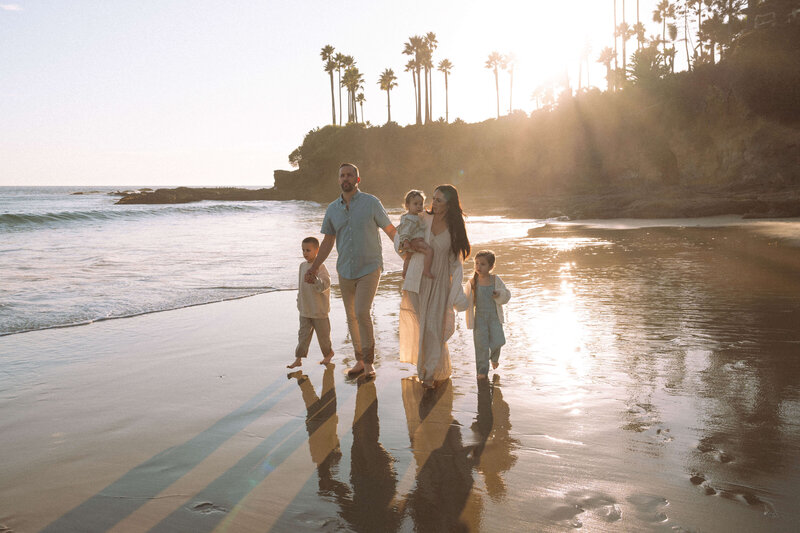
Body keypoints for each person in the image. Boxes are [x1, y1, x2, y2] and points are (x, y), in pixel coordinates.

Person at [306, 163, 397, 379]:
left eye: (349, 175)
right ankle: (359, 360)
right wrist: (314, 267)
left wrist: (409, 255)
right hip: (345, 270)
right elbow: (328, 241)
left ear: (358, 179)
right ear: (339, 180)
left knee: (362, 312)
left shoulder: (371, 203)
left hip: (369, 267)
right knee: (351, 316)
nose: (345, 178)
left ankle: (369, 363)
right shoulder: (332, 209)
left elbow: (390, 230)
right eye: (342, 175)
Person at [397, 184, 470, 389]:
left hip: (438, 282)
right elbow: (401, 238)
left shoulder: (455, 227)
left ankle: (428, 374)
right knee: (423, 327)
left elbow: (456, 263)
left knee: (433, 328)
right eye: (434, 198)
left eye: (439, 200)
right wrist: (405, 246)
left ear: (449, 204)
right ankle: (430, 369)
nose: (433, 203)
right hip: (416, 279)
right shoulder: (422, 218)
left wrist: (455, 291)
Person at [287, 236, 334, 369]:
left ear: (317, 250)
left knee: (323, 336)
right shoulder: (302, 266)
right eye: (303, 250)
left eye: (308, 250)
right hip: (305, 309)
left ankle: (328, 354)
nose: (305, 253)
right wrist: (299, 301)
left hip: (319, 309)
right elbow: (300, 286)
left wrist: (315, 280)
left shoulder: (321, 267)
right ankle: (298, 359)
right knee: (303, 335)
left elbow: (325, 285)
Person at [464, 250, 510, 379]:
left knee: (499, 340)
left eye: (482, 264)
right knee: (481, 345)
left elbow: (506, 294)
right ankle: (482, 371)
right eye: (476, 263)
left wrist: (499, 294)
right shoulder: (472, 282)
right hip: (479, 318)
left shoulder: (495, 280)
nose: (478, 267)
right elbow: (465, 299)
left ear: (491, 267)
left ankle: (494, 357)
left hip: (494, 316)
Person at [397, 190, 434, 280]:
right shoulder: (410, 218)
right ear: (407, 205)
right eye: (415, 204)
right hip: (416, 241)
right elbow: (405, 231)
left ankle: (405, 273)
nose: (419, 206)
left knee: (408, 257)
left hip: (412, 242)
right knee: (429, 251)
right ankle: (426, 270)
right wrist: (405, 241)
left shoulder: (413, 216)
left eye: (421, 204)